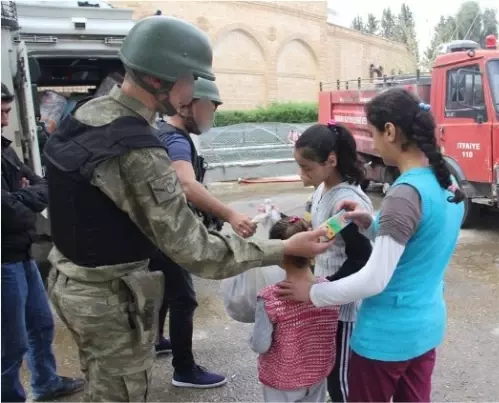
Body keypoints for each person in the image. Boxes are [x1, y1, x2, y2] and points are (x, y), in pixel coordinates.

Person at [42, 16, 332, 402]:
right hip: (106, 301)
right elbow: (197, 252)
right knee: (121, 392)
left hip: (70, 283)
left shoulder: (89, 114)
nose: (194, 90)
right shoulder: (136, 149)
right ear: (161, 79)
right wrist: (284, 249)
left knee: (100, 377)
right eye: (192, 80)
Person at [277, 88, 466, 403]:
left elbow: (374, 280)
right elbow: (423, 239)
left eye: (373, 133)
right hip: (426, 327)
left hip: (386, 338)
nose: (374, 143)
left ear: (390, 132)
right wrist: (371, 221)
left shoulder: (404, 195)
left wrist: (312, 293)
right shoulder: (446, 183)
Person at [151, 78, 256, 388]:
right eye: (208, 108)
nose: (210, 116)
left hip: (156, 232)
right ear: (188, 106)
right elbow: (186, 183)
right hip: (170, 235)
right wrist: (230, 213)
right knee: (184, 298)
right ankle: (184, 369)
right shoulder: (177, 141)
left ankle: (156, 339)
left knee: (167, 291)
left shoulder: (162, 131)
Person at [1, 83, 85, 402]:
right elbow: (6, 213)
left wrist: (23, 196)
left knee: (40, 323)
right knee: (11, 342)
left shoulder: (4, 149)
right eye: (3, 111)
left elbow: (41, 184)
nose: (6, 118)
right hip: (3, 259)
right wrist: (23, 199)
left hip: (20, 251)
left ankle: (45, 382)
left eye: (9, 110)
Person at [293, 122, 373, 402]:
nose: (302, 176)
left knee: (341, 381)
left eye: (307, 168)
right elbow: (324, 235)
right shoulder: (324, 188)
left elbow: (362, 257)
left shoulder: (346, 202)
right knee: (330, 373)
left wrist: (325, 287)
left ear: (331, 160)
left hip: (343, 307)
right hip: (327, 300)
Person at [249, 216, 340, 403]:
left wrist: (251, 339)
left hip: (281, 380)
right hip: (318, 373)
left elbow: (260, 344)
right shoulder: (330, 291)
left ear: (278, 255)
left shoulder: (270, 298)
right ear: (313, 251)